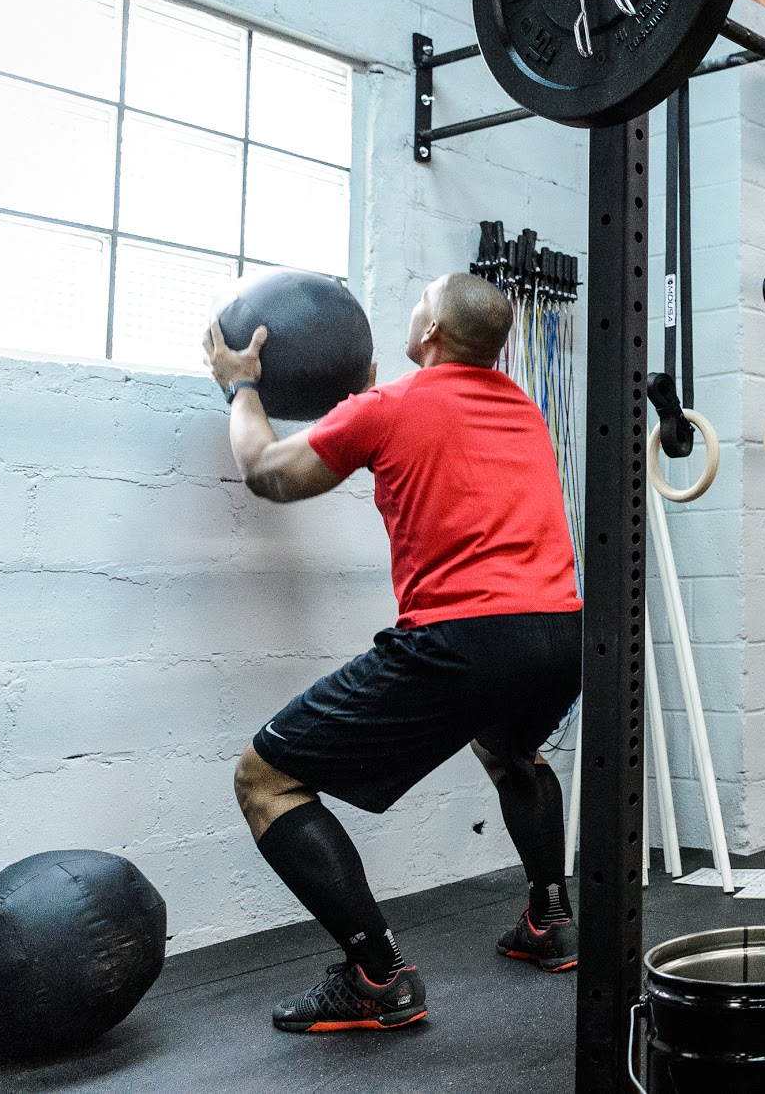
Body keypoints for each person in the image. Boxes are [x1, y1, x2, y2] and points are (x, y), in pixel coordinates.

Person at [203, 273, 584, 1033]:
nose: (409, 311)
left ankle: (376, 975)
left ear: (432, 332)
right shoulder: (523, 410)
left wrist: (239, 386)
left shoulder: (392, 404)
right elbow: (422, 436)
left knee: (265, 778)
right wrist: (361, 406)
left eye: (418, 302)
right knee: (509, 749)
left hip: (462, 639)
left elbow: (267, 472)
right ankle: (551, 920)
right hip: (561, 633)